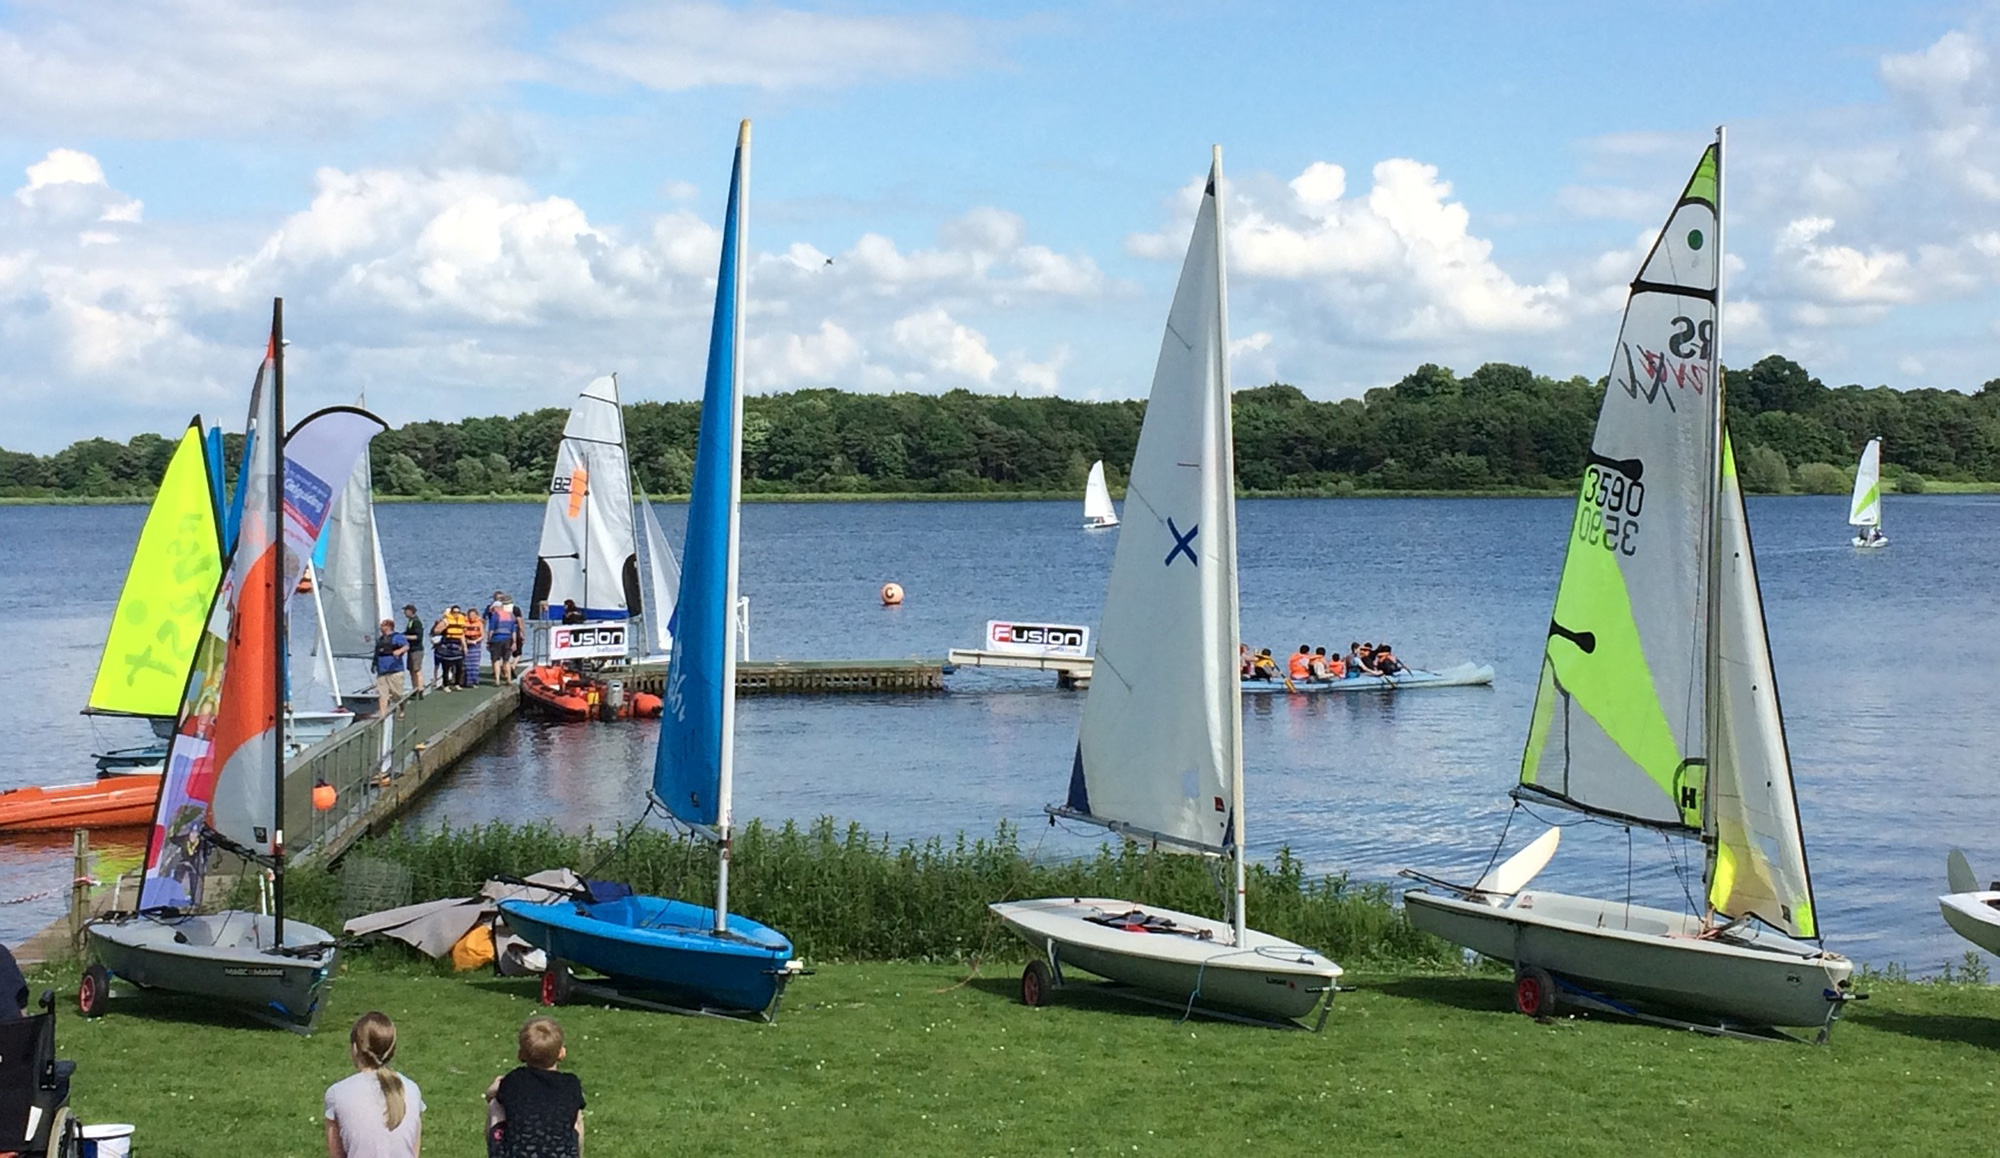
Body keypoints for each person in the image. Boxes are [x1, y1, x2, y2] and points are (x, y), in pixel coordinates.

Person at [325, 1011, 423, 1158]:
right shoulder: (411, 1089)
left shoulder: (338, 1093)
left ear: (355, 1048)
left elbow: (337, 1154)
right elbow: (413, 1152)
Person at [486, 1015, 586, 1158]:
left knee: (495, 1105)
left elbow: (492, 1094)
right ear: (562, 1053)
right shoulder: (570, 1084)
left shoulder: (514, 1080)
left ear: (520, 1054)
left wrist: (493, 1089)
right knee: (576, 1115)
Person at [373, 619, 408, 718]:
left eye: (383, 626)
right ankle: (382, 715)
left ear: (388, 627)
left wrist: (399, 651)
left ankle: (402, 708)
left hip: (395, 670)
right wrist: (374, 665)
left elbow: (406, 646)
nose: (381, 628)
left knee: (397, 694)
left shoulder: (397, 637)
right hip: (382, 671)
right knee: (382, 694)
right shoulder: (380, 640)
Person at [486, 592, 520, 684]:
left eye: (494, 608)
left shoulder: (495, 616)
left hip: (496, 639)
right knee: (506, 660)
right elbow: (513, 631)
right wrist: (514, 642)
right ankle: (508, 679)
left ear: (497, 608)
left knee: (496, 660)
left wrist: (488, 640)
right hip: (507, 639)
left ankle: (497, 680)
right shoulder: (511, 616)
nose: (493, 610)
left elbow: (491, 630)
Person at [432, 606, 467, 692]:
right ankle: (446, 685)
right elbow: (436, 631)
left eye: (458, 612)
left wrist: (464, 646)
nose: (456, 614)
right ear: (451, 613)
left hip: (457, 646)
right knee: (446, 667)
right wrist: (442, 628)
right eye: (454, 612)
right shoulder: (446, 621)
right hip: (447, 645)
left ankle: (457, 684)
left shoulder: (461, 621)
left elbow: (462, 634)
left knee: (459, 666)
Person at [402, 604, 426, 695]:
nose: (404, 613)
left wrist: (405, 637)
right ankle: (415, 689)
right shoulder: (410, 621)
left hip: (417, 650)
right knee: (411, 670)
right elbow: (407, 632)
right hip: (411, 650)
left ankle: (420, 689)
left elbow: (418, 637)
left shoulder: (416, 622)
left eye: (405, 611)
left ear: (410, 611)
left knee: (417, 670)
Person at [462, 604, 486, 689]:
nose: (471, 617)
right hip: (467, 643)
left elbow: (483, 635)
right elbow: (462, 634)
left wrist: (476, 641)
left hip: (476, 644)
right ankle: (468, 682)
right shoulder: (464, 623)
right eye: (470, 615)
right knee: (467, 664)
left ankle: (475, 681)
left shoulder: (479, 623)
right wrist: (466, 641)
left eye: (473, 615)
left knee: (475, 664)